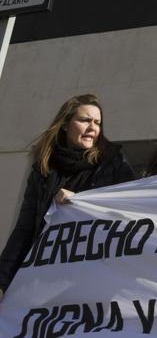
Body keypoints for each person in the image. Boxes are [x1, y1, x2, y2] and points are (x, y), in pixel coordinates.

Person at [0, 94, 135, 298]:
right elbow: (24, 229)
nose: (92, 127)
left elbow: (127, 212)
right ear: (65, 125)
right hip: (47, 272)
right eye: (84, 120)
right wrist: (2, 281)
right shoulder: (43, 170)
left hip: (93, 273)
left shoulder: (113, 162)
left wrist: (80, 202)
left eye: (97, 122)